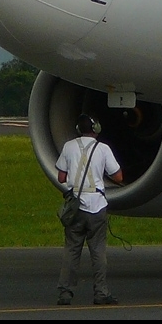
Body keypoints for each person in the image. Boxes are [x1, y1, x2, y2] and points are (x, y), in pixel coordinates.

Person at [55, 114, 123, 306]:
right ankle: (101, 292)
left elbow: (61, 177)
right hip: (97, 205)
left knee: (71, 250)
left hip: (75, 207)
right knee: (98, 251)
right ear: (96, 129)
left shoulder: (69, 146)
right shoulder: (103, 149)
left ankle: (65, 292)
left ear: (78, 129)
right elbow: (118, 177)